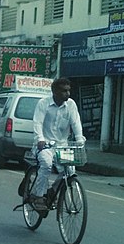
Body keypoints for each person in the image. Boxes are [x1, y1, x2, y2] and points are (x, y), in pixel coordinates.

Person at [30, 78, 85, 209]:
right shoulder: (43, 104)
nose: (67, 94)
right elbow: (37, 123)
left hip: (62, 146)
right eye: (64, 91)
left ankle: (52, 191)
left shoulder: (71, 105)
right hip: (45, 146)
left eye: (68, 90)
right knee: (46, 164)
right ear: (54, 91)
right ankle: (38, 196)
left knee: (70, 170)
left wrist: (79, 139)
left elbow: (76, 123)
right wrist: (40, 139)